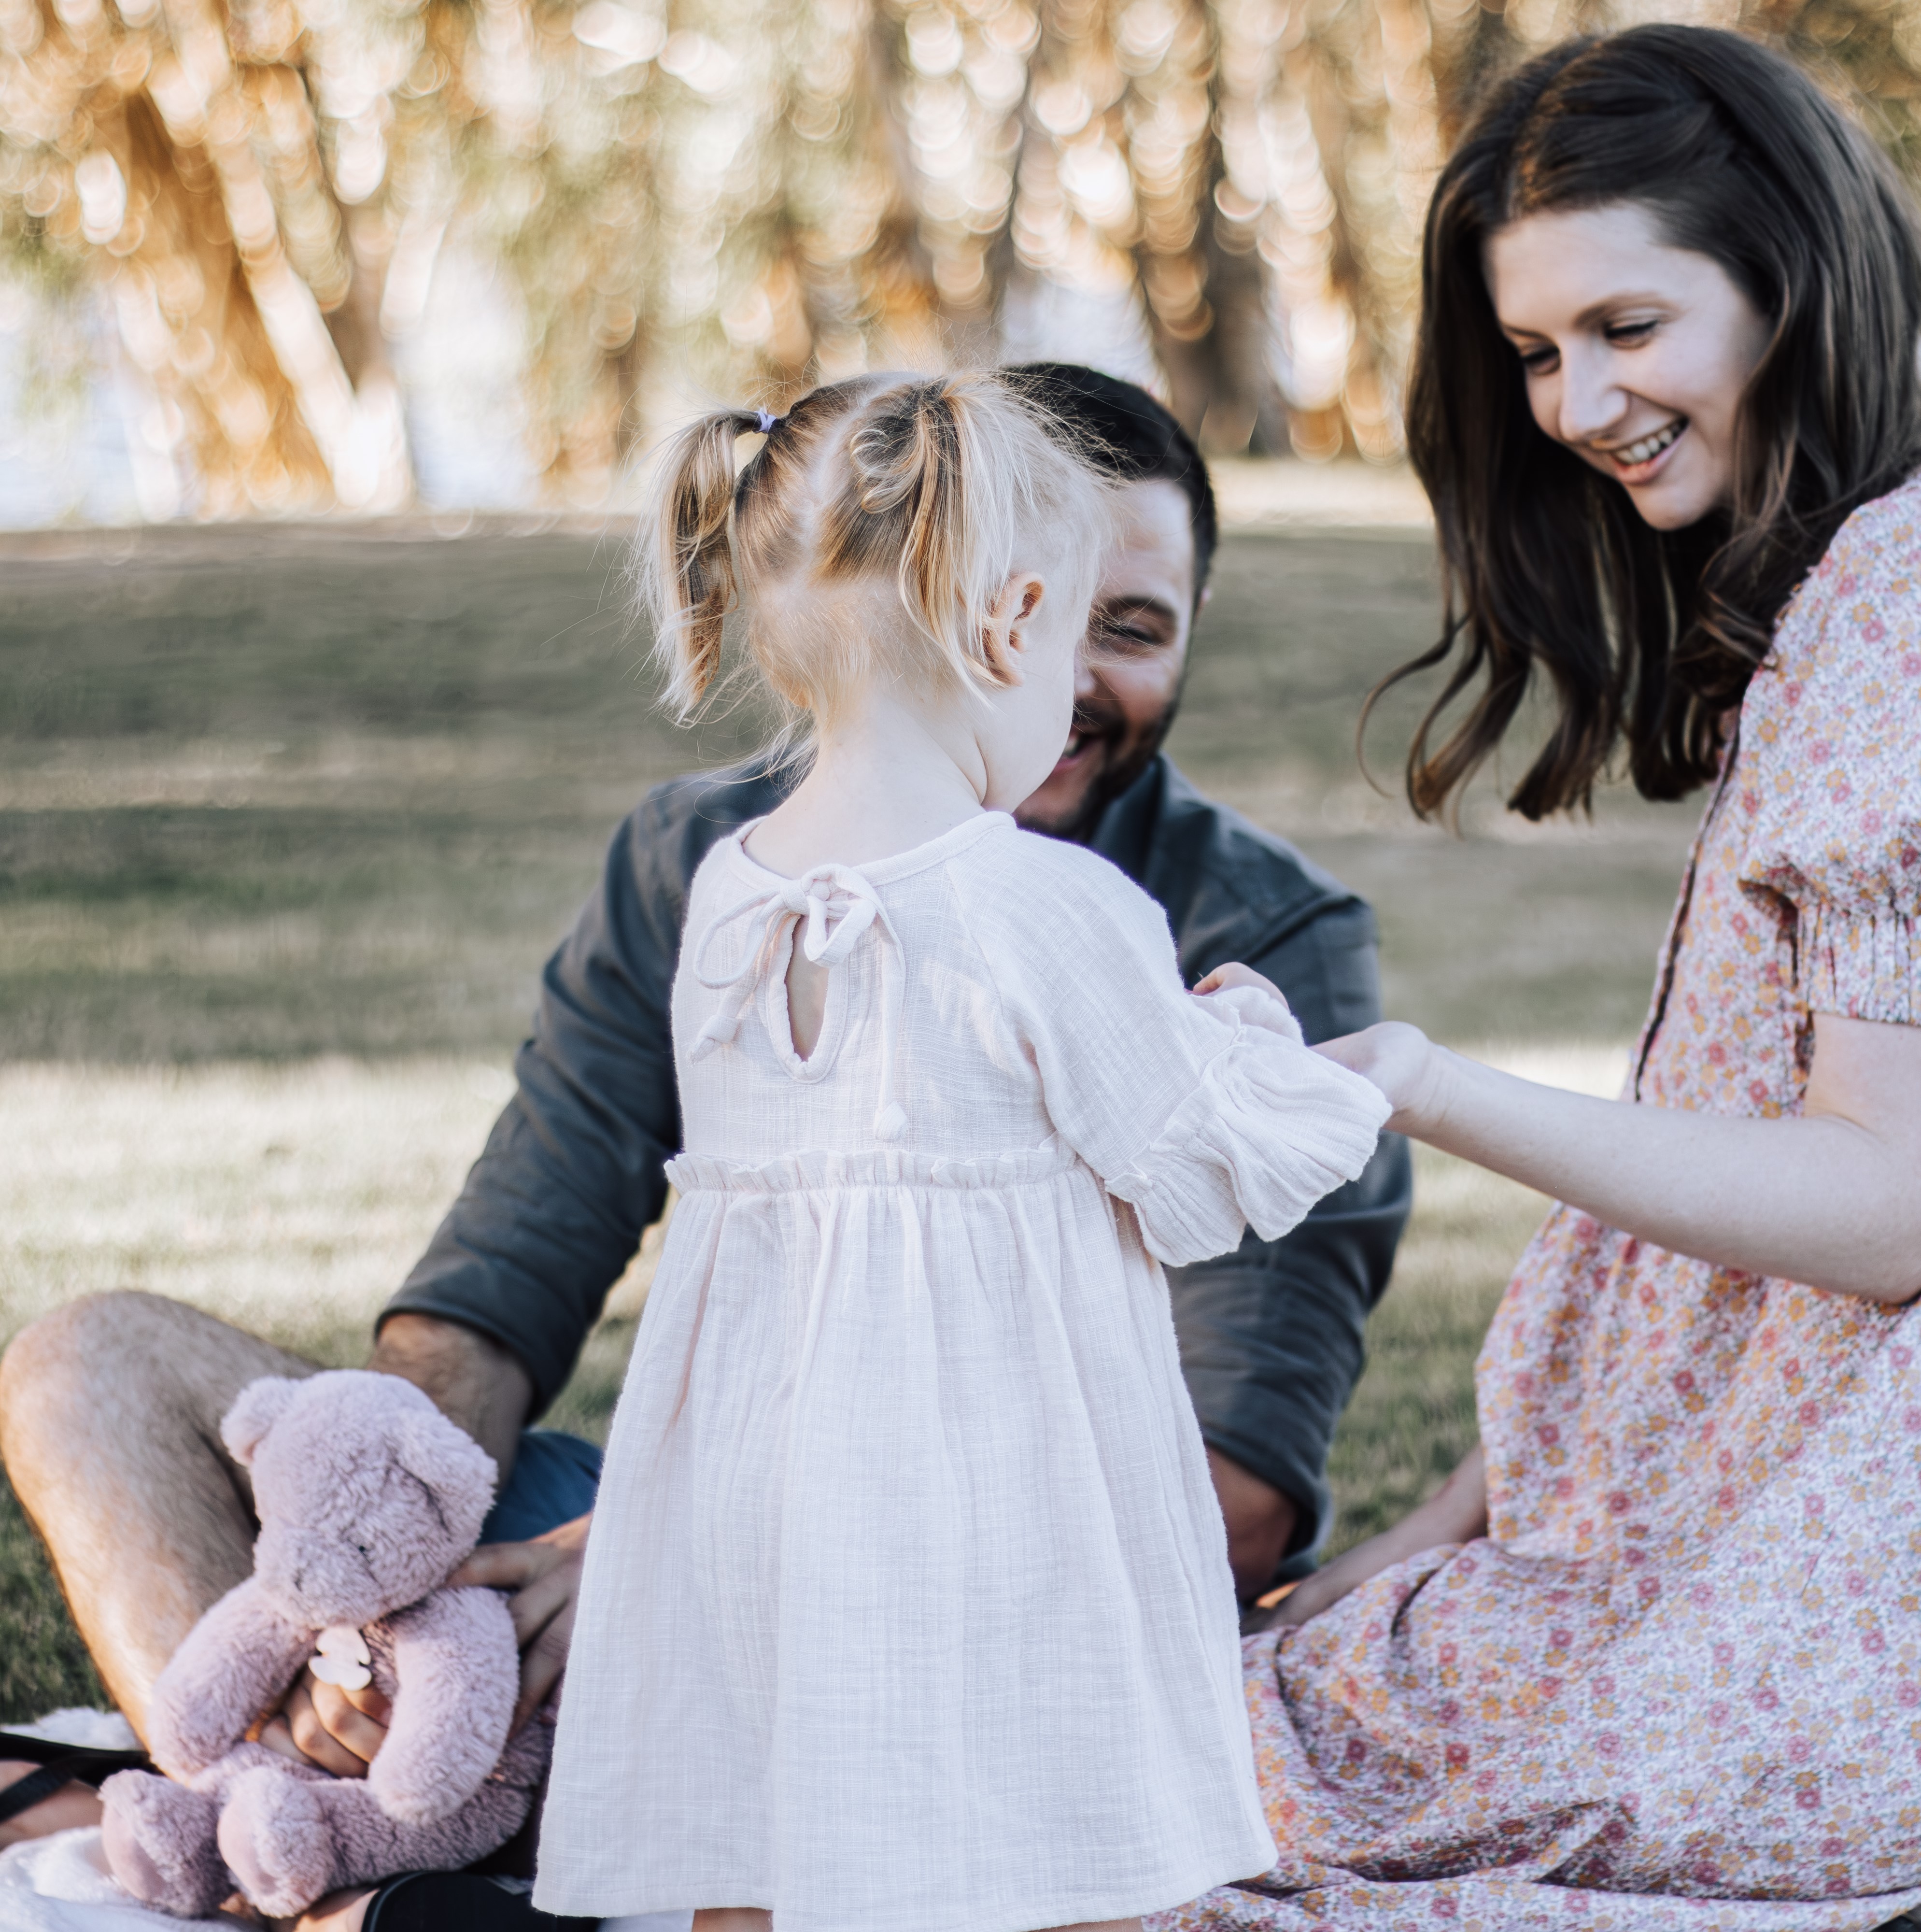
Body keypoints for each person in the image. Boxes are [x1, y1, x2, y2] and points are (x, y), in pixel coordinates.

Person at [1153, 25, 1921, 1932]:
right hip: (1859, 1563)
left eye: (1627, 325)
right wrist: (1449, 1540)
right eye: (1532, 351)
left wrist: (1417, 1084)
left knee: (1095, 1805)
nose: (1575, 400)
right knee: (1174, 1731)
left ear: (1789, 280)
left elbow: (1886, 1203)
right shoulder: (1910, 564)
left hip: (1903, 1612)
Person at [0, 367, 1411, 1896]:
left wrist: (663, 1569)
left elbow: (1236, 1493)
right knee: (92, 1370)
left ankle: (344, 1879)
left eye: (1130, 629)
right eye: (1058, 613)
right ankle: (326, 1806)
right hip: (682, 1510)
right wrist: (393, 1586)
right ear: (967, 603)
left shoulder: (1242, 922)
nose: (1077, 674)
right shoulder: (702, 867)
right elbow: (498, 1286)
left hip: (987, 1579)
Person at [534, 370, 1389, 1932]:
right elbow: (1203, 1181)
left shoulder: (726, 892)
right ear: (1011, 632)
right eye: (1073, 645)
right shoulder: (1050, 910)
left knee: (759, 1833)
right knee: (1060, 1849)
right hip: (995, 1501)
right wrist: (1280, 1056)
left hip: (753, 1495)